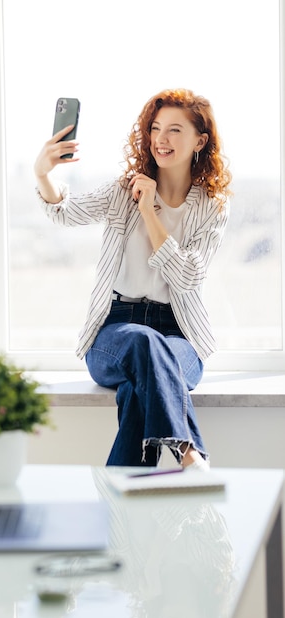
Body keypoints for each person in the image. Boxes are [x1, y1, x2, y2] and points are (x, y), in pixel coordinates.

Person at [34, 88, 231, 470]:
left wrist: (150, 211)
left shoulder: (212, 206)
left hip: (179, 334)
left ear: (200, 140)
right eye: (155, 128)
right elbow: (65, 212)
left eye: (175, 130)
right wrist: (43, 173)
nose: (161, 138)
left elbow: (188, 275)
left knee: (138, 389)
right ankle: (189, 454)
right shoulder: (125, 190)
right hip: (116, 332)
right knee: (144, 343)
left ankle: (120, 505)